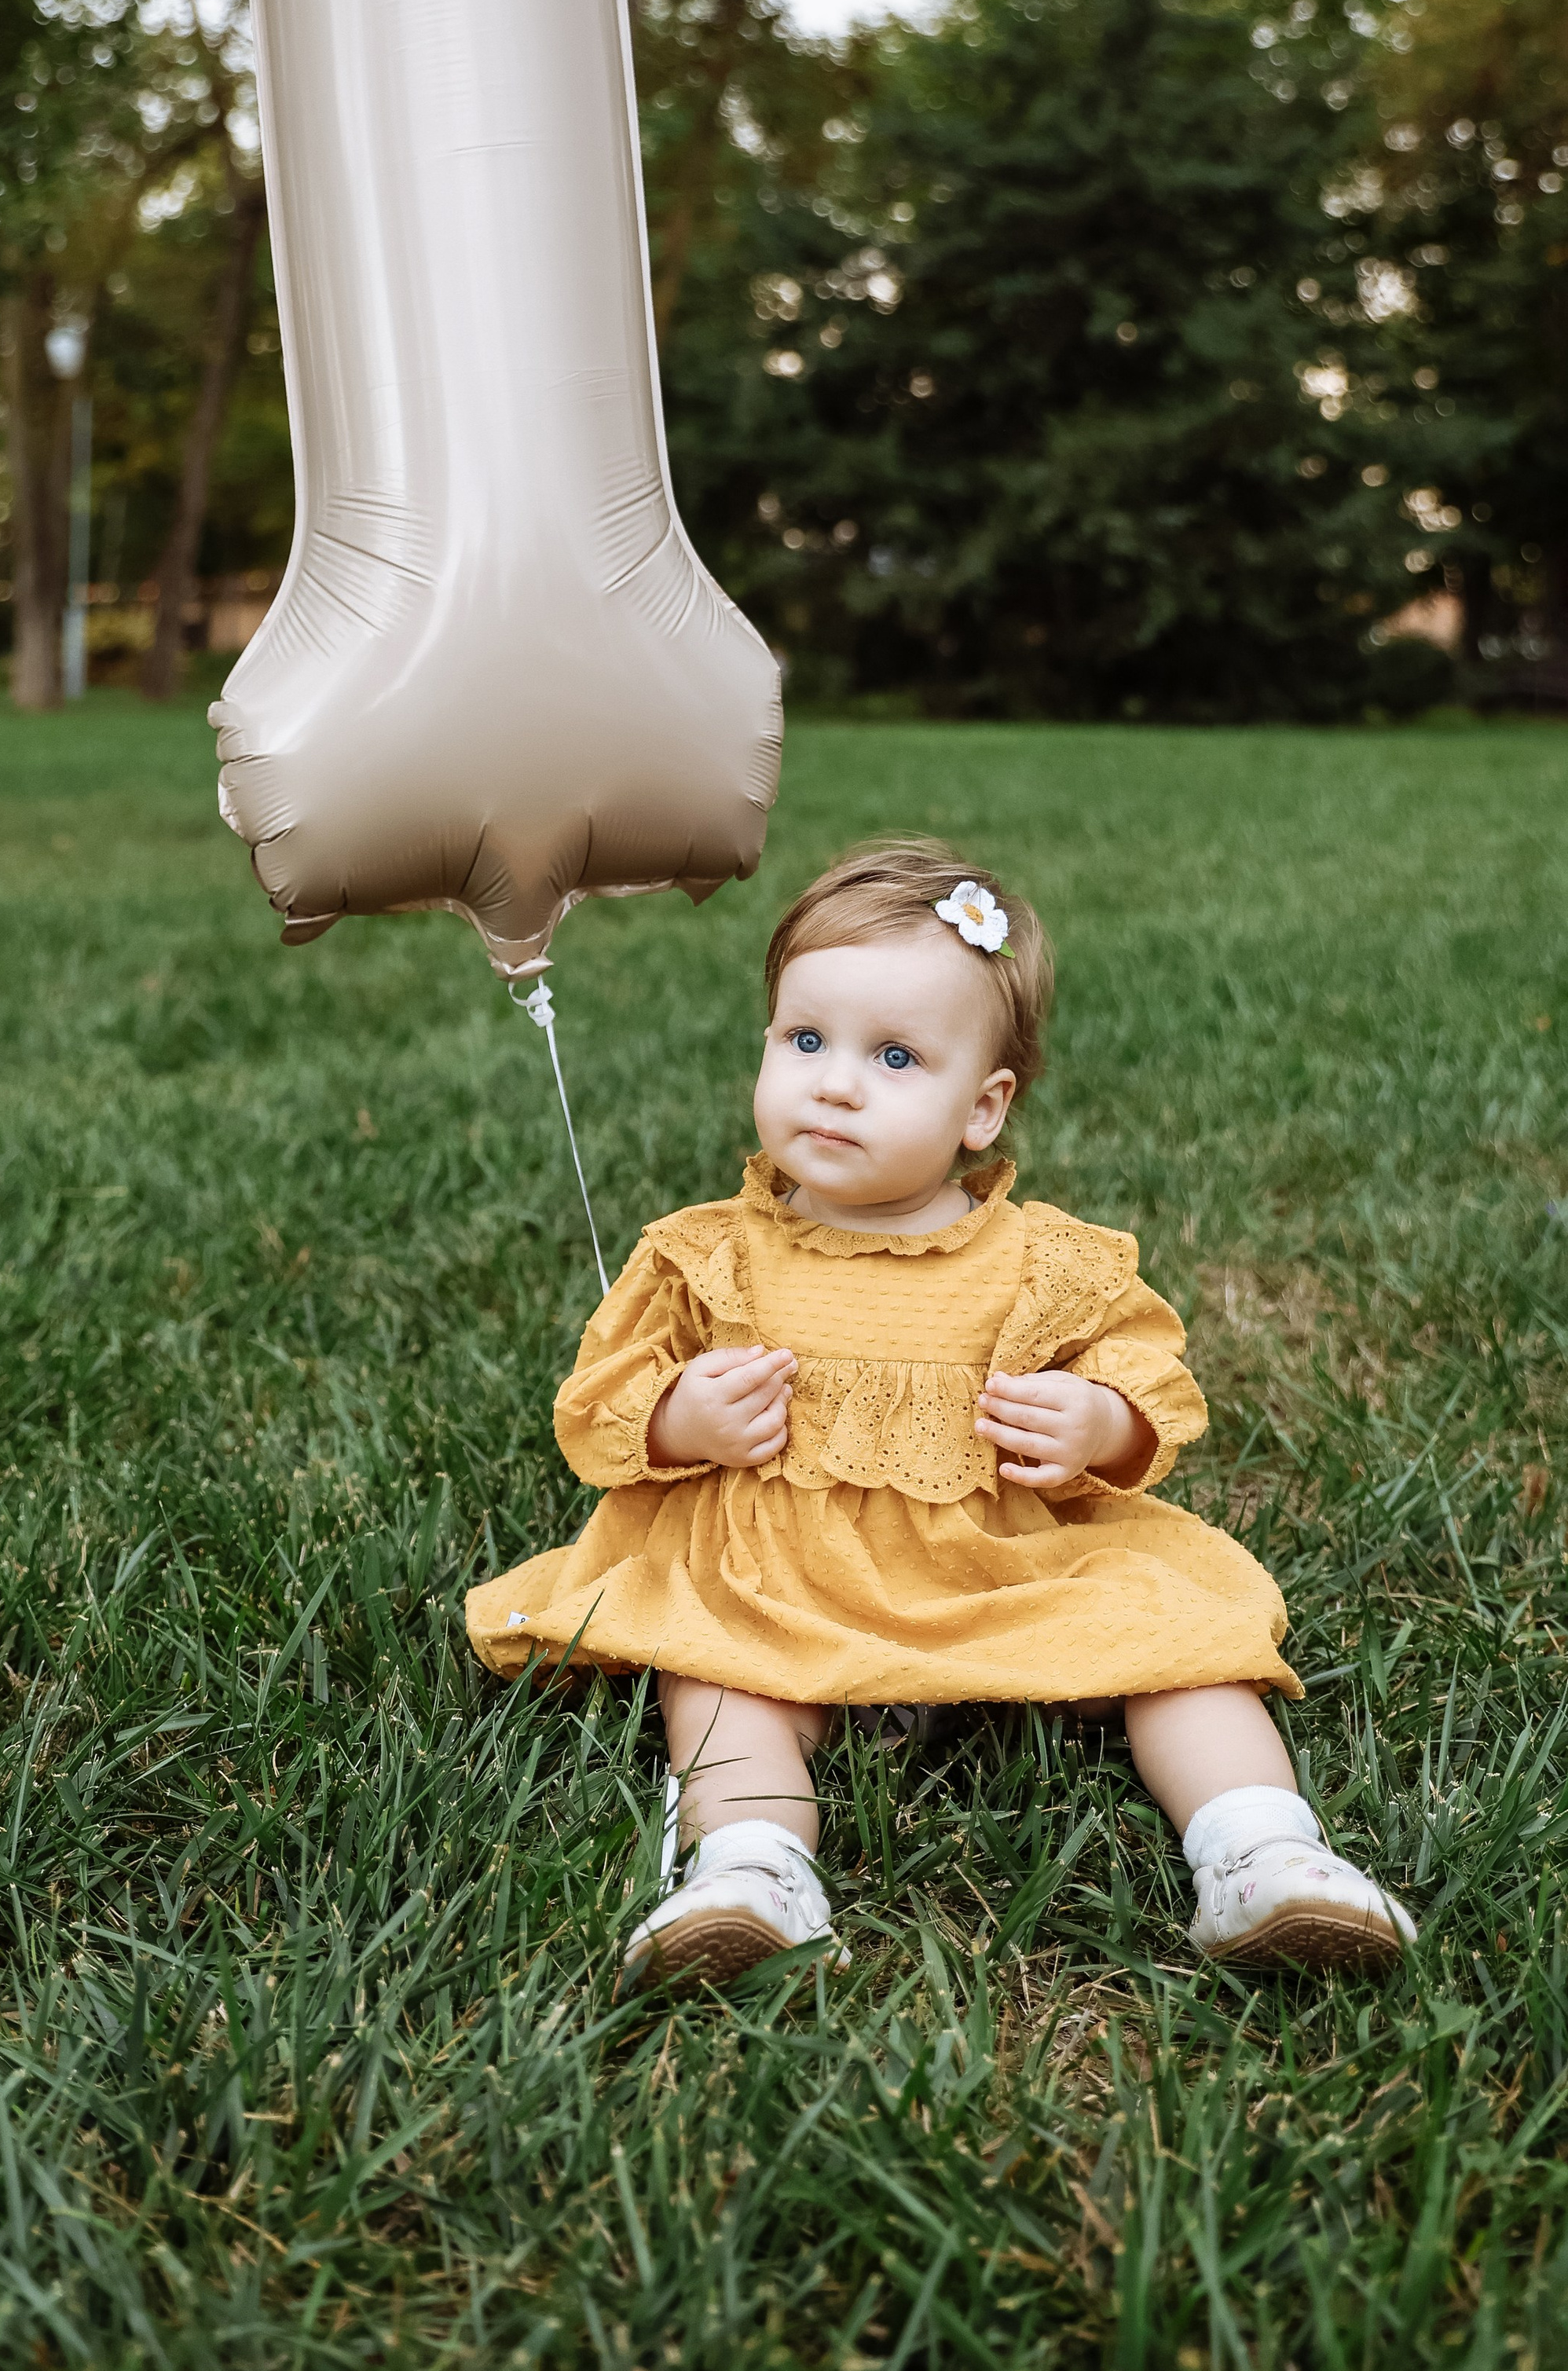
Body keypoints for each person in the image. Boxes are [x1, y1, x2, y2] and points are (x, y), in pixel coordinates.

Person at [466, 840, 1416, 1992]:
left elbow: (1146, 1376)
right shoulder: (705, 1253)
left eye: (896, 1056)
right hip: (776, 1576)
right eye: (803, 1040)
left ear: (983, 1107)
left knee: (1179, 1641)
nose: (835, 1082)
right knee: (714, 1674)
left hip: (996, 1565)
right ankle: (752, 1871)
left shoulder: (1044, 1261)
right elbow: (600, 1402)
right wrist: (679, 1420)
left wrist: (1097, 1423)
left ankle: (1262, 1851)